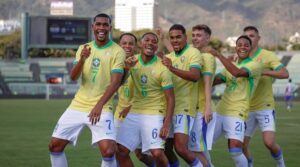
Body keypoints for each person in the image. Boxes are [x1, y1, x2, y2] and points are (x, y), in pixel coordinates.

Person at [48, 13, 126, 167]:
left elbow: (115, 82)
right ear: (93, 27)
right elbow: (73, 77)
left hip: (102, 107)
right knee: (54, 146)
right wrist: (82, 59)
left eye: (105, 25)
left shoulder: (118, 51)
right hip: (78, 105)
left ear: (110, 28)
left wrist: (98, 105)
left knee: (109, 151)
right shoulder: (83, 48)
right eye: (98, 24)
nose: (101, 28)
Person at [116, 32, 175, 167]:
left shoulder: (162, 67)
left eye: (154, 41)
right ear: (141, 44)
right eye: (146, 40)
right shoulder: (132, 61)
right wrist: (126, 68)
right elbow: (120, 82)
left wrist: (166, 123)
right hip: (135, 112)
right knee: (120, 150)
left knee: (157, 153)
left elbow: (170, 98)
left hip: (154, 113)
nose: (150, 43)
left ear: (156, 46)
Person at [207, 35, 262, 167]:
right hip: (220, 111)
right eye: (240, 44)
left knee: (235, 150)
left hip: (237, 113)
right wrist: (205, 73)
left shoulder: (254, 65)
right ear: (236, 47)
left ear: (250, 48)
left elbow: (237, 72)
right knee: (202, 144)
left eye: (246, 45)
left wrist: (218, 55)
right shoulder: (230, 66)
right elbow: (213, 81)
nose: (242, 47)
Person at [242, 26, 289, 167]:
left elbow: (284, 73)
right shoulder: (240, 57)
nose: (248, 38)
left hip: (265, 106)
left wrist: (264, 72)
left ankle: (281, 164)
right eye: (246, 36)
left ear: (258, 38)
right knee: (241, 145)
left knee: (269, 142)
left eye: (252, 35)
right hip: (247, 108)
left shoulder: (267, 55)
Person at [162, 24, 205, 167]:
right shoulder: (168, 57)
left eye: (178, 37)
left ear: (185, 37)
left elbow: (195, 76)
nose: (175, 40)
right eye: (172, 38)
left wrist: (171, 68)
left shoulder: (194, 53)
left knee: (180, 148)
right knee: (165, 149)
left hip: (184, 108)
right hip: (168, 109)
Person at [114, 33, 155, 166]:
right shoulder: (115, 63)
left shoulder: (140, 63)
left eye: (130, 43)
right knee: (117, 152)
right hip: (119, 116)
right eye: (124, 43)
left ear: (135, 46)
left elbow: (148, 93)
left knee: (141, 155)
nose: (127, 46)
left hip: (138, 114)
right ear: (119, 45)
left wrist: (130, 107)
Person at [188, 24, 217, 167]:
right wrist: (164, 39)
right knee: (200, 149)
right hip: (195, 109)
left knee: (194, 149)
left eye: (199, 35)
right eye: (193, 35)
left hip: (202, 111)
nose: (195, 38)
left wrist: (207, 108)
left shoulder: (207, 57)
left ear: (207, 38)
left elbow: (207, 84)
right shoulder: (195, 55)